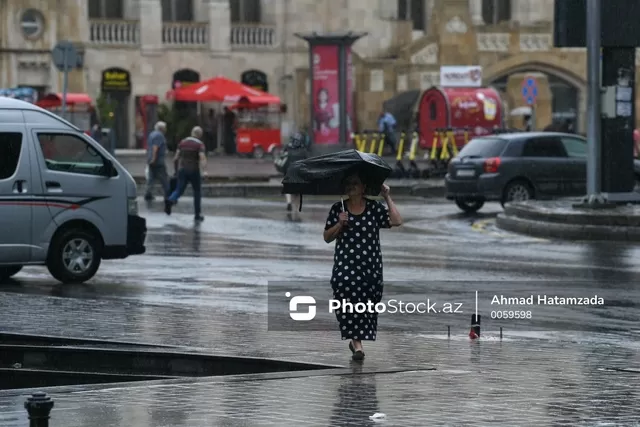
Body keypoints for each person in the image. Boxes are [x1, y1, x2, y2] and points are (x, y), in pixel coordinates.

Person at [323, 173, 402, 360]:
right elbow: (327, 237)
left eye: (355, 183)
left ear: (363, 187)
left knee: (366, 304)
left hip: (370, 267)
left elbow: (397, 221)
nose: (351, 186)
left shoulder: (374, 208)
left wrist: (387, 197)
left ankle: (355, 342)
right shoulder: (338, 209)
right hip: (345, 267)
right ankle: (357, 345)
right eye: (348, 183)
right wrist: (339, 225)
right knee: (346, 299)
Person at [166, 126, 207, 221]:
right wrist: (204, 171)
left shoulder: (182, 142)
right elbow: (202, 157)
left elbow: (176, 158)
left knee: (179, 189)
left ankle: (170, 200)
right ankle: (197, 214)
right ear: (200, 135)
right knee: (197, 192)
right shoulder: (200, 144)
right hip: (194, 170)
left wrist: (176, 170)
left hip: (182, 169)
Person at [281, 130, 310, 213]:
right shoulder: (304, 151)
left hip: (289, 173)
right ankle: (296, 209)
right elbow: (307, 163)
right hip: (299, 174)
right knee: (298, 193)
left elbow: (283, 160)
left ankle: (289, 202)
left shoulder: (287, 149)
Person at [144, 121, 170, 202]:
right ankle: (168, 194)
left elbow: (149, 147)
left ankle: (148, 194)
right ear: (162, 128)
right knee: (164, 178)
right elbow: (156, 147)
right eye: (165, 128)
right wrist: (154, 159)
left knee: (151, 178)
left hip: (151, 160)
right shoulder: (159, 135)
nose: (166, 129)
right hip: (158, 160)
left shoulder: (152, 134)